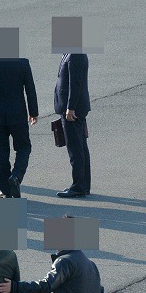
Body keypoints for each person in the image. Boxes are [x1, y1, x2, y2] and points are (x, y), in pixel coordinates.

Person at [0, 56, 39, 199]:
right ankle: (16, 176)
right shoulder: (23, 63)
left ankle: (6, 190)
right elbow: (30, 88)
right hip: (17, 115)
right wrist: (33, 112)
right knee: (24, 147)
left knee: (0, 153)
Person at [54, 54, 91, 198]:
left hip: (73, 110)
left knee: (75, 149)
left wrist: (71, 107)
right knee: (80, 146)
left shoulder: (75, 54)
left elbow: (75, 83)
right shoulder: (70, 53)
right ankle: (83, 184)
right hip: (74, 107)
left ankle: (78, 186)